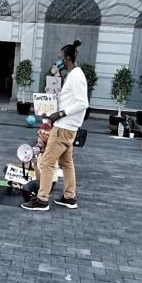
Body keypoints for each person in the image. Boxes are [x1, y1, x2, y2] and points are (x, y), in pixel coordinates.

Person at [21, 40, 88, 211]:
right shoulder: (73, 75)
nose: (58, 61)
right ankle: (69, 197)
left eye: (60, 58)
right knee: (67, 163)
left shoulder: (76, 76)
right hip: (67, 127)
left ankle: (42, 199)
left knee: (47, 163)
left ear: (66, 58)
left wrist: (60, 114)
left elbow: (83, 103)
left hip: (64, 127)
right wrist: (52, 111)